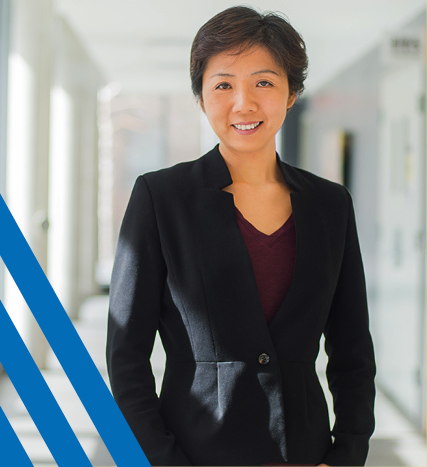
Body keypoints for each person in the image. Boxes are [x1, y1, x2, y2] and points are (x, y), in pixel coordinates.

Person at [106, 6, 376, 466]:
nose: (244, 103)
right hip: (194, 451)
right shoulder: (161, 197)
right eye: (224, 85)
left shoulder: (330, 205)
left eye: (264, 82)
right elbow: (126, 359)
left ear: (292, 94)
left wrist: (346, 455)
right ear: (201, 97)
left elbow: (352, 351)